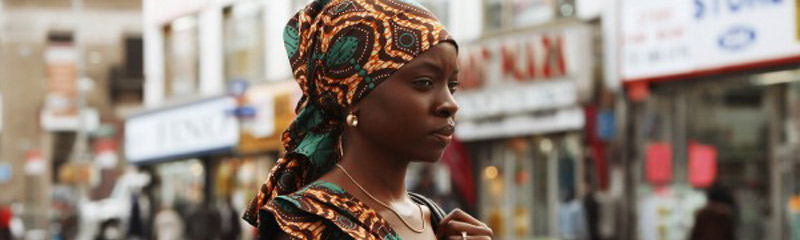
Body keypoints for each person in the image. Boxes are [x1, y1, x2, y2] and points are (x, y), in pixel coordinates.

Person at [242, 0, 494, 239]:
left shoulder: (436, 220)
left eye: (453, 86)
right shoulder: (309, 224)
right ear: (353, 96)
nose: (450, 104)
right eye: (424, 83)